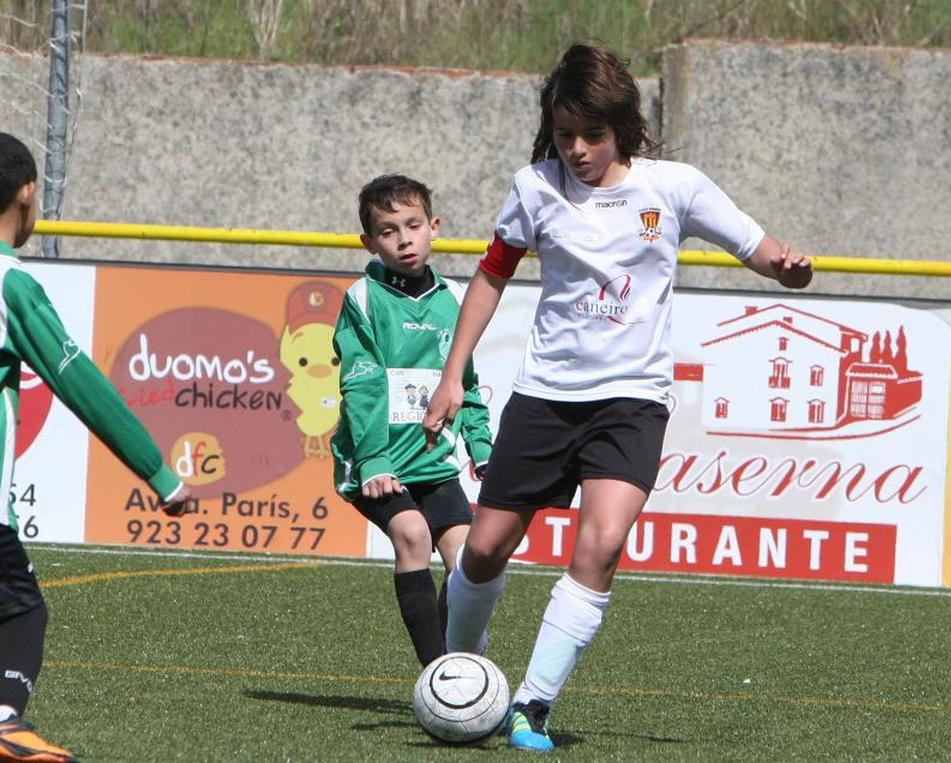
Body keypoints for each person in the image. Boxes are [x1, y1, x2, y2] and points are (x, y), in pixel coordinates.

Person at [421, 43, 813, 752]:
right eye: (565, 133)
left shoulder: (676, 187)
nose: (577, 149)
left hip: (631, 402)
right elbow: (490, 277)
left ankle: (531, 706)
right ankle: (459, 668)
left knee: (600, 544)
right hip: (545, 397)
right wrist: (454, 373)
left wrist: (788, 269)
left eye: (593, 135)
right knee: (482, 548)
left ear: (623, 126)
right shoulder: (534, 188)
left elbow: (761, 249)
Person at [0, 133, 191, 762]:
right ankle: (2, 722)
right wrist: (158, 472)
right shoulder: (10, 284)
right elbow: (77, 380)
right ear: (28, 195)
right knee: (20, 612)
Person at [331, 174, 492, 668]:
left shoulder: (454, 300)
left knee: (470, 560)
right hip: (376, 467)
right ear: (369, 242)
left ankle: (456, 659)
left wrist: (481, 447)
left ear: (434, 227)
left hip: (433, 466)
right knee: (414, 535)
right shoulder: (363, 299)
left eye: (413, 225)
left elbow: (464, 379)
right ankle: (438, 675)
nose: (403, 238)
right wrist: (374, 460)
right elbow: (361, 384)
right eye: (387, 230)